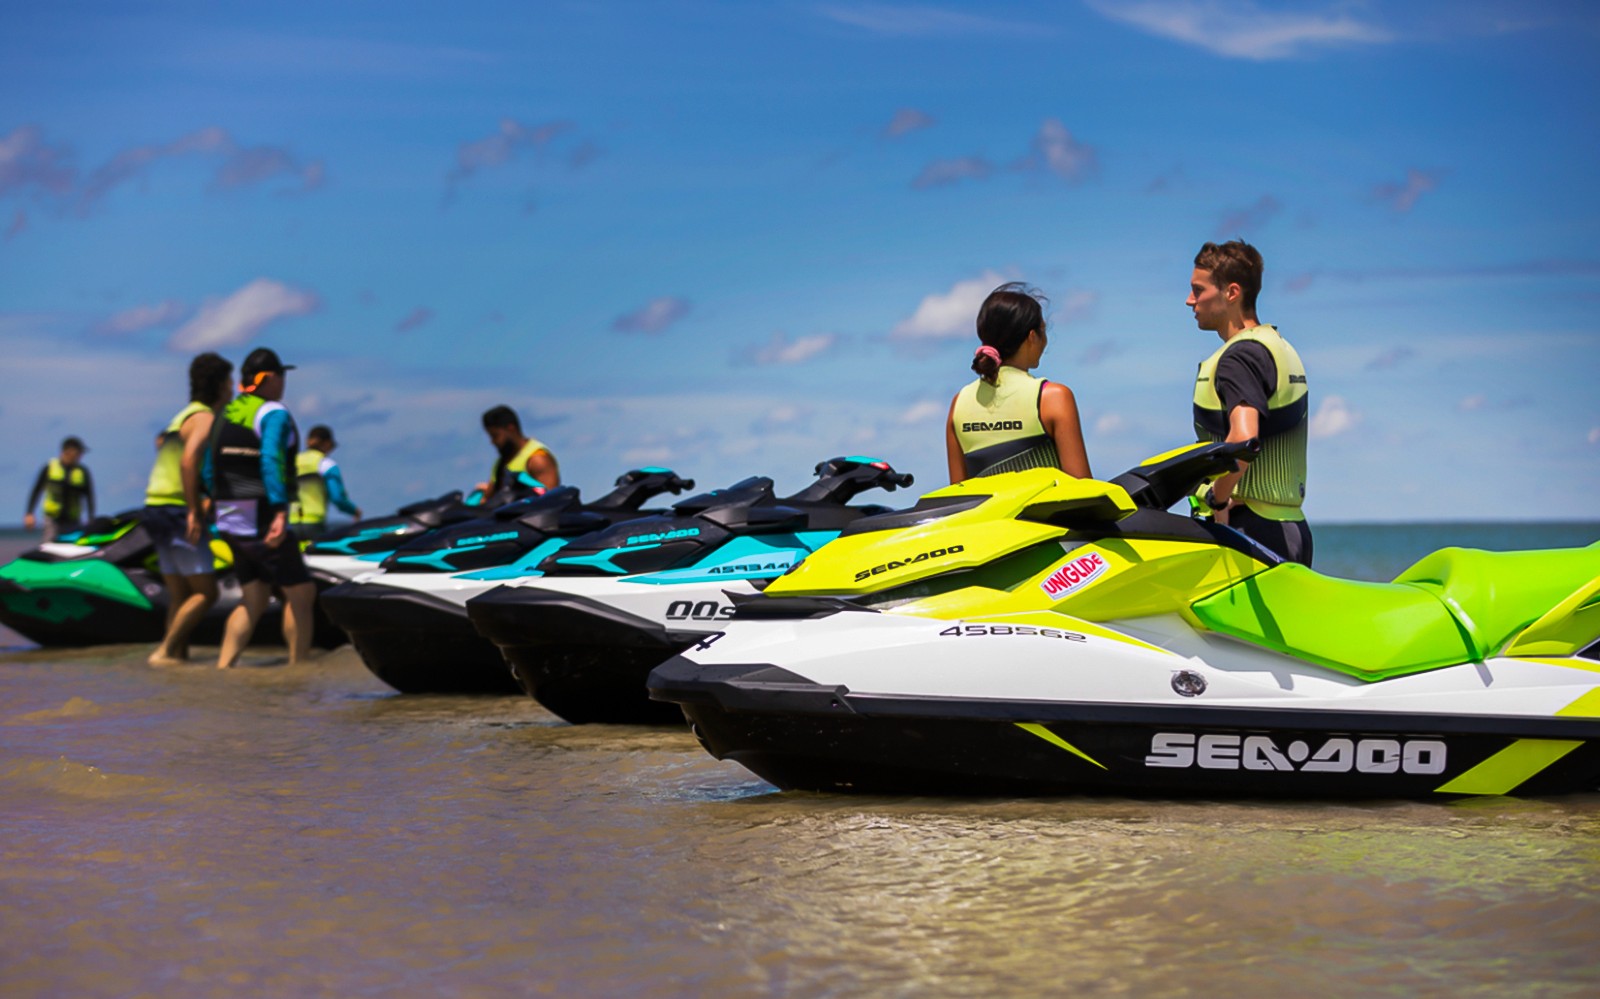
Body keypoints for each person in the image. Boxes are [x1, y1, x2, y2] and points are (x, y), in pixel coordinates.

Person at [1186, 239, 1313, 566]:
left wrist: (1217, 499)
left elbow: (1244, 439)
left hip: (1250, 529)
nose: (1190, 301)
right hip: (1290, 527)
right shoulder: (1279, 347)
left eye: (1198, 291)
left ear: (1231, 292)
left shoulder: (1238, 357)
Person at [204, 347, 317, 668]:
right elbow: (270, 459)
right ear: (268, 378)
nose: (283, 384)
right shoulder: (273, 413)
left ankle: (224, 668)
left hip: (228, 517)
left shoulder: (223, 414)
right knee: (301, 592)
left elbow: (208, 464)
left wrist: (215, 503)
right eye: (281, 376)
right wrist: (280, 510)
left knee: (253, 596)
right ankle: (298, 671)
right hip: (262, 516)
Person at [945, 282, 1091, 483]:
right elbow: (1083, 491)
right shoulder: (1052, 397)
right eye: (1043, 330)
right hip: (1040, 515)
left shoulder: (959, 403)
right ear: (1032, 336)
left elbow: (957, 496)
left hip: (986, 516)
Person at [145, 352, 233, 667]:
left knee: (181, 594)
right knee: (207, 593)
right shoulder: (205, 418)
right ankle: (165, 651)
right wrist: (195, 510)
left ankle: (177, 658)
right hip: (176, 510)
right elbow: (189, 459)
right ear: (221, 385)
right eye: (230, 380)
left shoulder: (181, 415)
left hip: (154, 507)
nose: (233, 387)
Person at [289, 425, 362, 540]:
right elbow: (337, 498)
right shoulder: (326, 464)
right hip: (315, 523)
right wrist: (354, 511)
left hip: (292, 522)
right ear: (327, 444)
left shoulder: (292, 462)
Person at [476, 404, 560, 496]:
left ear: (511, 428)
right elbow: (489, 499)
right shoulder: (500, 463)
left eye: (495, 436)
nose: (492, 442)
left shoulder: (538, 459)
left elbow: (551, 500)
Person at [24, 437, 95, 541]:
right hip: (52, 519)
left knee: (73, 548)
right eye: (79, 452)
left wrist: (91, 519)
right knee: (49, 546)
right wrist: (29, 513)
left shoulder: (83, 472)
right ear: (69, 451)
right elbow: (36, 490)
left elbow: (89, 496)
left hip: (73, 520)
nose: (80, 456)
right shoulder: (50, 467)